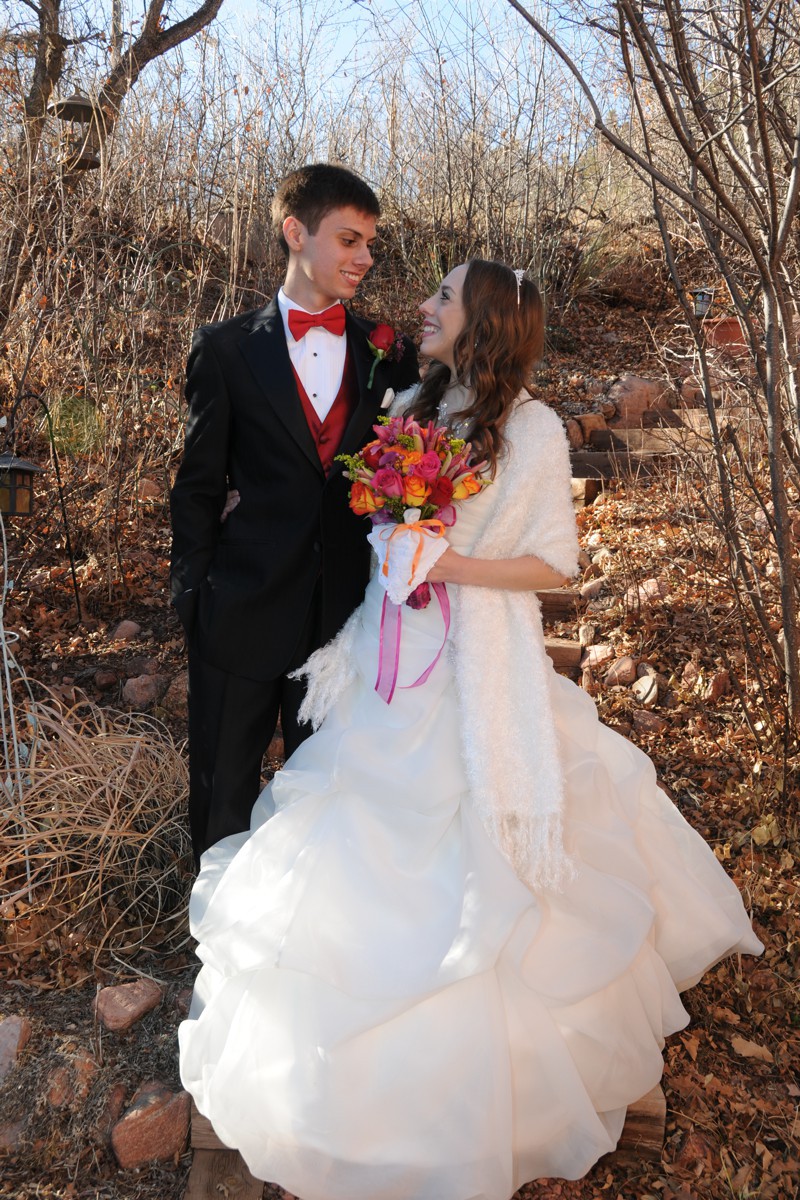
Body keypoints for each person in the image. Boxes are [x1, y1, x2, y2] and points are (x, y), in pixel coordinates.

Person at [179, 260, 762, 1199]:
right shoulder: (414, 398)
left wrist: (446, 563)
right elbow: (382, 520)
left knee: (481, 840)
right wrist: (392, 542)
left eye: (443, 297)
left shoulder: (529, 430)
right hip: (389, 656)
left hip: (475, 664)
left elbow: (555, 565)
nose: (425, 305)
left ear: (483, 321)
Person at [169, 163, 419, 862]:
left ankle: (309, 952)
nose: (365, 257)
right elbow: (195, 485)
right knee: (222, 792)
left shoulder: (389, 352)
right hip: (239, 608)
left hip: (344, 621)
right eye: (348, 239)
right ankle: (217, 949)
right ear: (295, 233)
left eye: (370, 242)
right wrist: (194, 593)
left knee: (331, 797)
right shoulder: (224, 350)